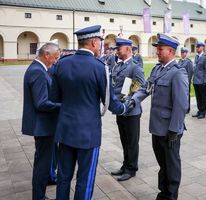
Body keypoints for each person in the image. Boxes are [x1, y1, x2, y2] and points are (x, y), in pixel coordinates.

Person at [52, 25, 131, 200]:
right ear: (94, 42)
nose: (101, 47)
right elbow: (109, 102)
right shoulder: (99, 67)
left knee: (64, 177)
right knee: (85, 179)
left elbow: (55, 97)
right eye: (100, 43)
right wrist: (125, 108)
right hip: (88, 132)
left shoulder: (62, 63)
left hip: (65, 129)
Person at [131, 33, 188, 200]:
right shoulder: (158, 69)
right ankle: (163, 193)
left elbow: (181, 105)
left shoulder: (178, 73)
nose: (157, 52)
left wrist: (174, 130)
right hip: (157, 127)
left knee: (171, 165)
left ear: (170, 51)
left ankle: (171, 196)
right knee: (163, 164)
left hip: (169, 129)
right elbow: (145, 88)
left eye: (160, 49)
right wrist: (133, 101)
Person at [22, 42, 61, 200]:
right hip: (43, 126)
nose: (56, 61)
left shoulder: (38, 68)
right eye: (55, 58)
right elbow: (41, 103)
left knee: (44, 162)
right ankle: (38, 197)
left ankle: (43, 188)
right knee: (42, 165)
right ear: (47, 55)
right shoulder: (38, 71)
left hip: (43, 125)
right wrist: (63, 106)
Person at [110, 38, 145, 181]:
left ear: (128, 50)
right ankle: (125, 165)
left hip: (131, 111)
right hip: (120, 110)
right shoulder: (118, 66)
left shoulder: (134, 67)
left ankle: (131, 169)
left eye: (120, 48)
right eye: (117, 48)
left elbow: (141, 85)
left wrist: (126, 98)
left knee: (131, 141)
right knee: (124, 139)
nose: (117, 51)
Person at [192, 42, 206, 119]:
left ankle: (203, 112)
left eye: (198, 47)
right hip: (196, 81)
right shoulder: (196, 57)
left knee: (203, 97)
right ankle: (199, 110)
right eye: (196, 47)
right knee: (198, 97)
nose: (197, 48)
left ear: (203, 48)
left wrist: (205, 81)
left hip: (202, 81)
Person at [178, 47, 193, 113]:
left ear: (186, 53)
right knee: (181, 95)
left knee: (186, 95)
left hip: (186, 82)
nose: (182, 54)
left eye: (183, 52)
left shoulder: (188, 62)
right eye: (181, 52)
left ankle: (187, 108)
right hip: (180, 81)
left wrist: (188, 82)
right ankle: (182, 107)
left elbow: (190, 73)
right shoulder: (180, 61)